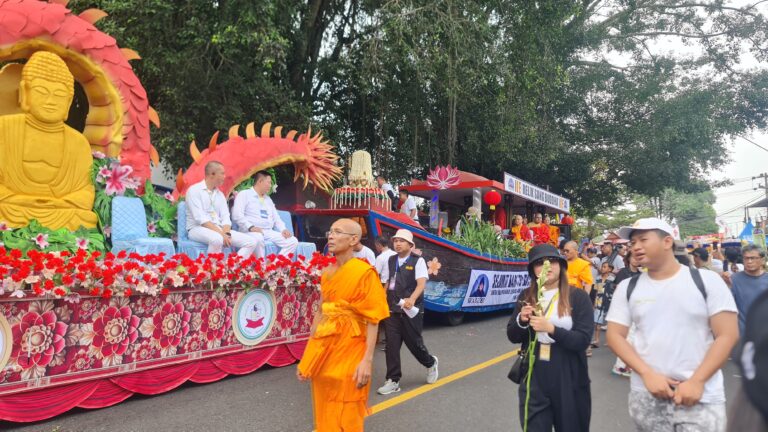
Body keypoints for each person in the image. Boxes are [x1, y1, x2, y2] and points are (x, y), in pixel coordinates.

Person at [606, 218, 739, 432]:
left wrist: (697, 381)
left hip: (701, 396)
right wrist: (647, 374)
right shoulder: (626, 287)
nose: (636, 247)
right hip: (646, 395)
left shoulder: (707, 281)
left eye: (643, 240)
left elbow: (727, 334)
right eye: (632, 243)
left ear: (667, 241)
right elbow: (614, 335)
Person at [297, 218, 389, 432]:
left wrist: (367, 361)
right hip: (325, 345)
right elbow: (321, 311)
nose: (331, 235)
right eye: (330, 231)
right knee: (323, 398)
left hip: (352, 344)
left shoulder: (364, 272)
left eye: (338, 232)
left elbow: (373, 319)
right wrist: (308, 357)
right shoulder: (327, 271)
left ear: (353, 239)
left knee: (349, 399)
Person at [0, 51, 99, 230]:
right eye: (41, 91)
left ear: (69, 101)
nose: (50, 101)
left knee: (84, 217)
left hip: (60, 212)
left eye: (60, 95)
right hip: (11, 208)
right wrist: (18, 199)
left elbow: (86, 192)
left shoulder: (78, 142)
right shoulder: (4, 129)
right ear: (24, 92)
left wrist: (58, 203)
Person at [507, 244, 593, 432]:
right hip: (535, 372)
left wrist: (552, 329)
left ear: (561, 266)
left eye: (552, 261)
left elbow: (583, 340)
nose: (547, 266)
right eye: (539, 263)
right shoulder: (527, 296)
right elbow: (512, 335)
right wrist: (521, 320)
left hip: (569, 373)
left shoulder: (578, 297)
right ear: (533, 270)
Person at [377, 229, 438, 395]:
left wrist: (411, 299)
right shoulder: (390, 260)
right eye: (395, 240)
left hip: (411, 310)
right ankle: (393, 380)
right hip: (392, 309)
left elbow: (421, 284)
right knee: (391, 345)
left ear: (411, 245)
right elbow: (387, 281)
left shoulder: (417, 261)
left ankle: (430, 363)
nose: (397, 243)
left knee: (414, 344)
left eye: (401, 241)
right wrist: (381, 299)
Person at [185, 161, 258, 257]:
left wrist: (226, 233)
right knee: (217, 239)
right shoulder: (194, 190)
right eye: (222, 173)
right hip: (197, 228)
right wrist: (221, 234)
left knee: (251, 242)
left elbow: (225, 217)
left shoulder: (220, 194)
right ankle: (212, 269)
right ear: (212, 174)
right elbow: (200, 219)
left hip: (219, 229)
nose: (225, 176)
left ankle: (231, 267)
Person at [231, 170, 299, 258]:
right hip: (249, 231)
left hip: (267, 231)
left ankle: (275, 268)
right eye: (269, 183)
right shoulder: (244, 194)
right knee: (258, 237)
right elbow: (237, 215)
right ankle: (260, 267)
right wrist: (250, 227)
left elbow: (276, 218)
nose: (270, 186)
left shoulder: (268, 199)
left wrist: (283, 229)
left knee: (292, 241)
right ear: (260, 181)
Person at [722, 245, 768, 335]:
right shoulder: (733, 279)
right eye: (746, 258)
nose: (749, 261)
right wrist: (727, 286)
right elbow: (727, 307)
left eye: (753, 258)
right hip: (744, 336)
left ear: (762, 260)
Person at [592, 262, 616, 351]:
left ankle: (610, 340)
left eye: (605, 267)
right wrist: (594, 303)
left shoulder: (613, 279)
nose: (602, 268)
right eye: (602, 267)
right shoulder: (598, 278)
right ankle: (596, 340)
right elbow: (597, 291)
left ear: (609, 269)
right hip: (599, 302)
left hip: (609, 303)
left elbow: (614, 291)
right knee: (597, 323)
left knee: (610, 323)